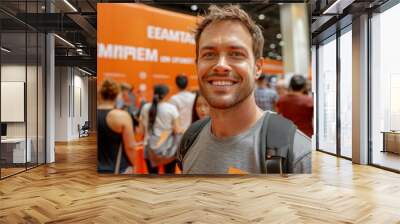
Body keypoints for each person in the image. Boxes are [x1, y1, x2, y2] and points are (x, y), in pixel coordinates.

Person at [178, 5, 311, 174]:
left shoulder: (299, 156)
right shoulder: (190, 140)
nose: (220, 66)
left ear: (257, 67)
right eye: (209, 54)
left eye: (236, 54)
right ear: (197, 64)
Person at [140, 84, 181, 174]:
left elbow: (141, 131)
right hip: (168, 149)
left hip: (149, 149)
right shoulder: (171, 108)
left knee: (152, 179)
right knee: (169, 179)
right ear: (166, 94)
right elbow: (177, 130)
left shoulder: (145, 107)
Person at [97, 79, 136, 174]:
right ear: (117, 95)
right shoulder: (121, 116)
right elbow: (130, 147)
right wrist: (134, 165)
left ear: (100, 94)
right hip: (117, 169)